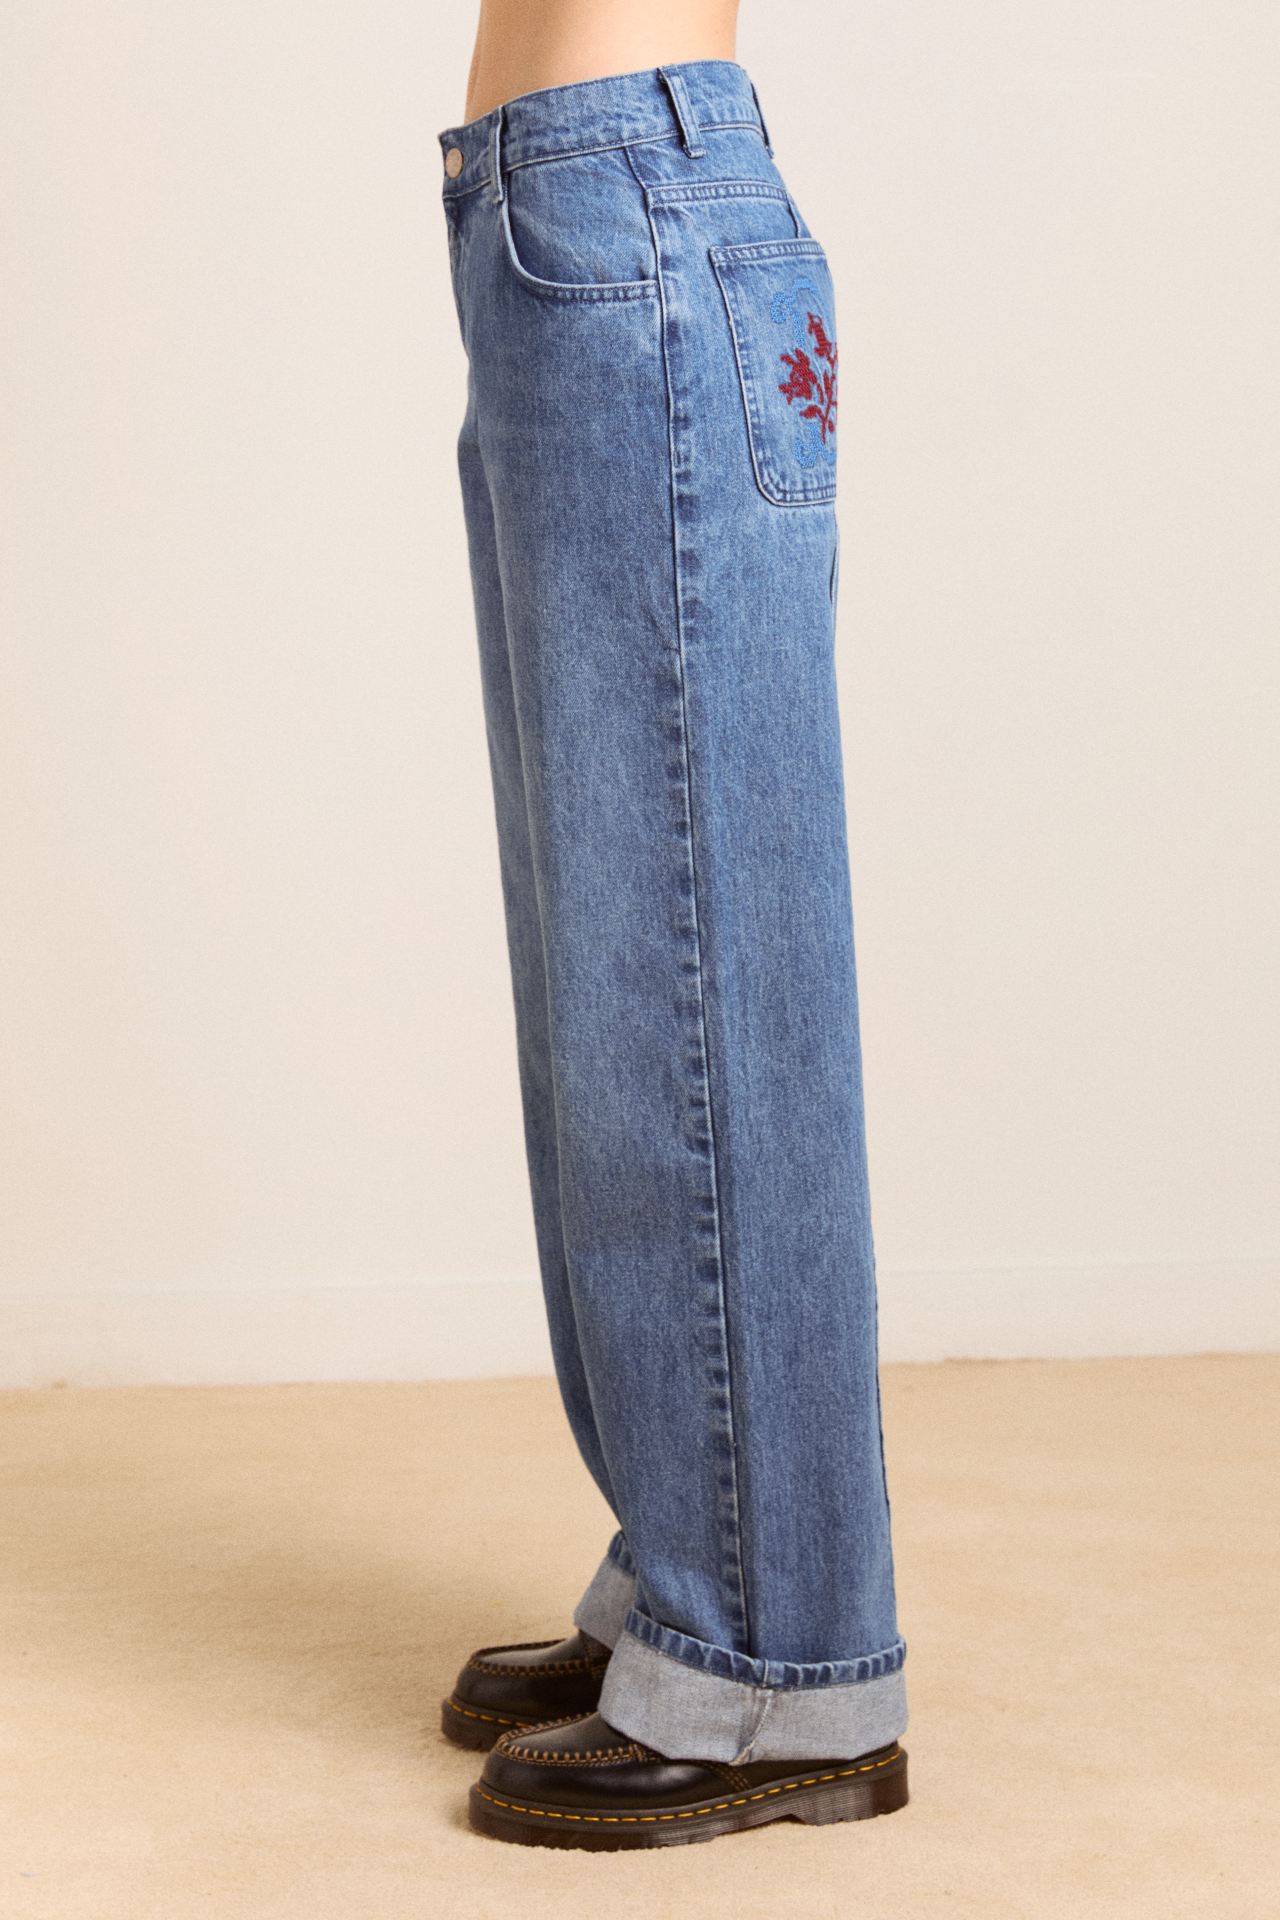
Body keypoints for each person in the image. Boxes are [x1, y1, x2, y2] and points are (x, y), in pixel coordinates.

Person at [438, 0, 908, 1850]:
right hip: (575, 207)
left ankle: (778, 1661)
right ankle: (691, 1568)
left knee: (693, 976)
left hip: (623, 200)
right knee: (621, 977)